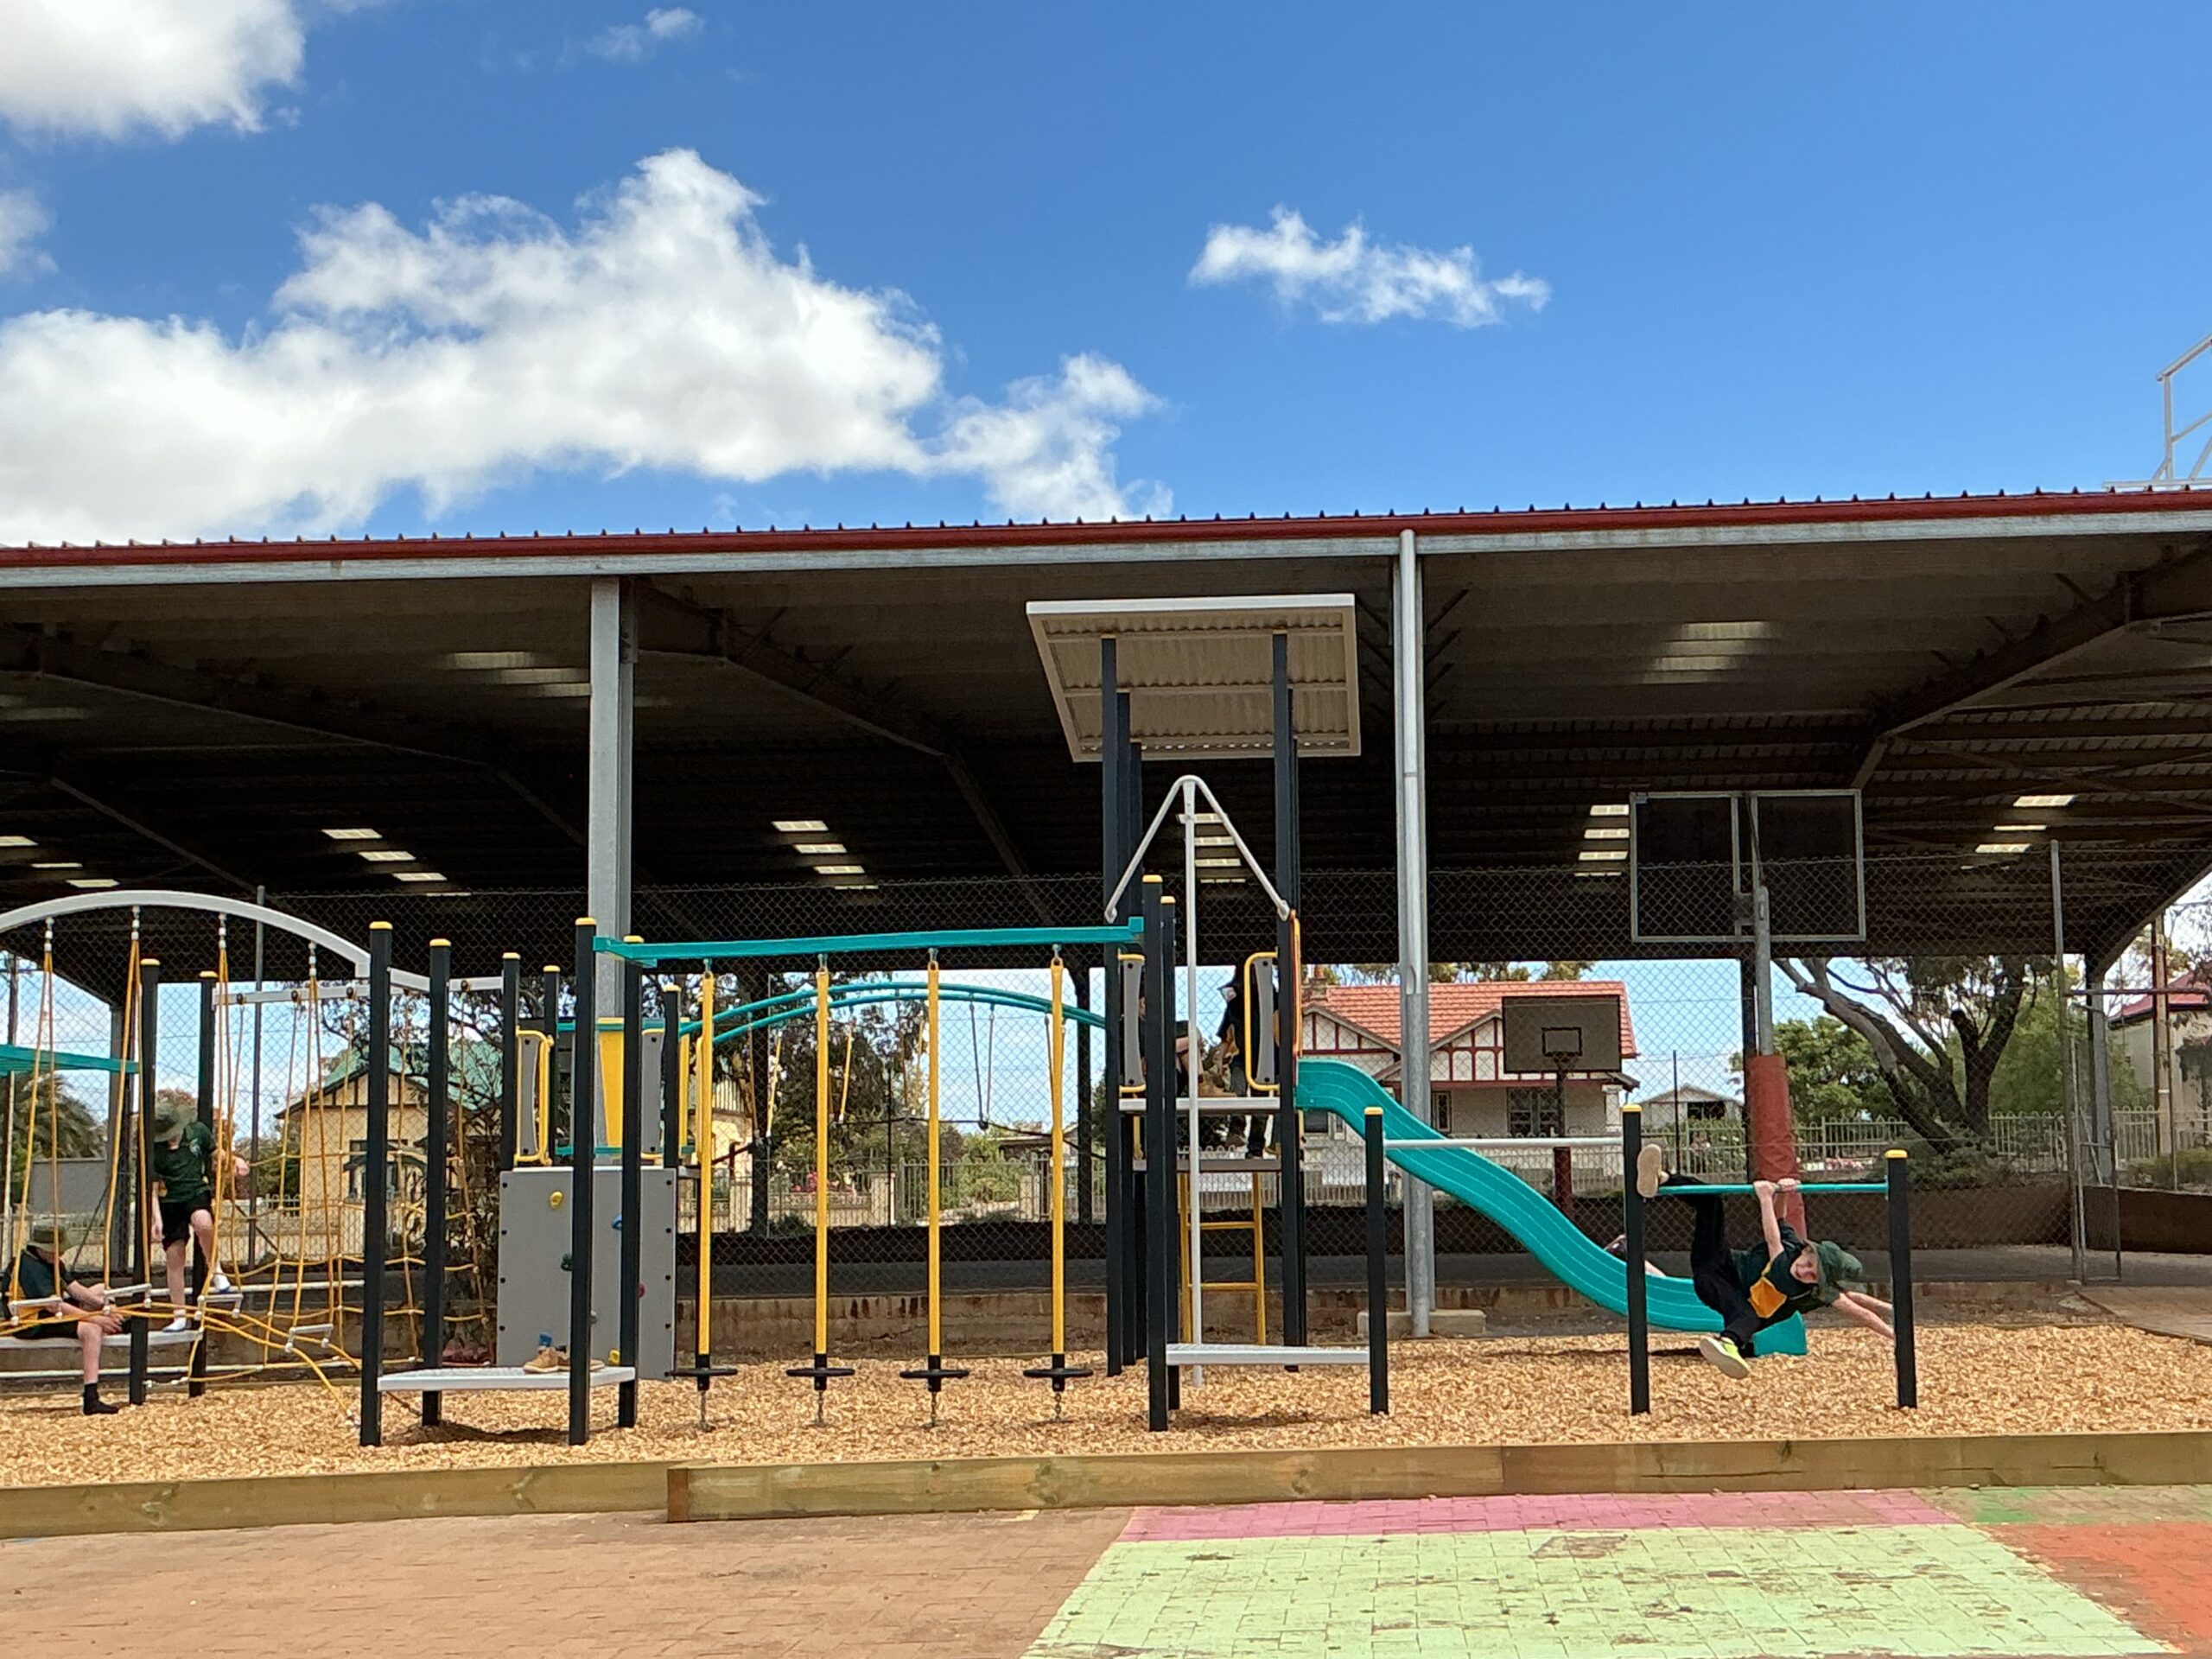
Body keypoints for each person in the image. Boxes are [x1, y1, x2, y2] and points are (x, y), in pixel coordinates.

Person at [1634, 1145, 1896, 1378]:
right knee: (1712, 1202)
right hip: (1721, 1263)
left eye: (1812, 1276)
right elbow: (1781, 1222)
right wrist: (1784, 1192)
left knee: (1747, 1315)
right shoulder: (1794, 1247)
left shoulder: (1790, 1278)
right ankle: (1662, 1179)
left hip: (1725, 1290)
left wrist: (1765, 1198)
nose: (1804, 1272)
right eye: (1808, 1265)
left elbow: (1772, 1238)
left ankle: (1728, 1344)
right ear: (1806, 1251)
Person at [147, 1099, 250, 1333]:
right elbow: (152, 1189)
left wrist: (234, 1160)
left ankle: (216, 1269)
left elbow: (217, 1153)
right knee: (174, 1255)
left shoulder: (197, 1133)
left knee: (203, 1223)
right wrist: (157, 1219)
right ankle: (179, 1315)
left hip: (195, 1191)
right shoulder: (155, 1150)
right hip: (170, 1201)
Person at [8, 1220, 125, 1414]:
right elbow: (54, 1305)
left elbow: (75, 1290)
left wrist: (104, 1306)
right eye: (56, 1250)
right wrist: (94, 1318)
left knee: (101, 1290)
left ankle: (119, 1323)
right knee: (91, 1330)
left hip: (50, 1310)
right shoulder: (28, 1267)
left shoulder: (51, 1262)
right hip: (31, 1320)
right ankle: (91, 1397)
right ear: (42, 1249)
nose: (60, 1254)